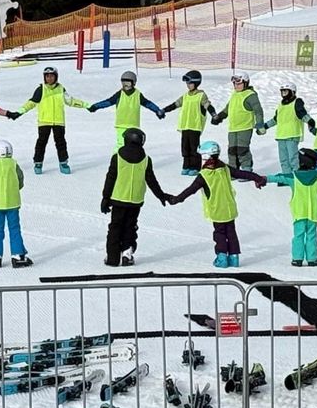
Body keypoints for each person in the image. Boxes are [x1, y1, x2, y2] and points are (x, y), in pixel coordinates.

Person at [168, 140, 266, 268]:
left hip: (217, 210)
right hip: (229, 208)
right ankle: (234, 258)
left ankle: (222, 258)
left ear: (205, 157)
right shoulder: (225, 168)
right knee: (231, 232)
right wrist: (258, 178)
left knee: (219, 233)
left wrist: (176, 199)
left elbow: (190, 191)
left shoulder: (204, 175)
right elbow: (241, 173)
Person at [100, 128, 169, 267]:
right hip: (135, 201)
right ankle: (127, 254)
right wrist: (161, 195)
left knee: (115, 227)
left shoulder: (117, 157)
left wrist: (105, 198)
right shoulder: (146, 160)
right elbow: (151, 181)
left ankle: (113, 258)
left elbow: (110, 178)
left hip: (119, 199)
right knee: (130, 227)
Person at [7, 66, 89, 175]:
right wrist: (19, 112)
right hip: (44, 121)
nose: (49, 78)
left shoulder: (61, 89)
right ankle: (38, 162)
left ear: (56, 77)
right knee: (41, 142)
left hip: (58, 121)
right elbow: (31, 103)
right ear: (44, 78)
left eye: (52, 76)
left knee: (61, 143)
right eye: (47, 76)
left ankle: (63, 162)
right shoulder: (41, 90)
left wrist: (86, 105)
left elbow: (71, 101)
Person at [266, 147, 317, 267]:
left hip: (299, 213)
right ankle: (312, 259)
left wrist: (264, 179)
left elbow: (280, 177)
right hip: (313, 213)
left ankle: (297, 258)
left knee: (298, 235)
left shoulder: (294, 177)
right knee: (311, 236)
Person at [0, 139, 32, 268]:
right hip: (12, 203)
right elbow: (20, 180)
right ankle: (17, 255)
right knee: (14, 229)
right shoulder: (14, 164)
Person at [89, 71, 165, 147]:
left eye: (128, 83)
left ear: (134, 83)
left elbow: (148, 104)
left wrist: (157, 110)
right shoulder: (119, 94)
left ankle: (133, 158)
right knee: (121, 145)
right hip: (121, 125)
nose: (125, 86)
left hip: (133, 126)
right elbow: (108, 102)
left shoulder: (138, 95)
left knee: (133, 146)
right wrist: (96, 106)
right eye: (123, 83)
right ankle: (117, 158)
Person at [161, 70, 216, 176]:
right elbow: (175, 104)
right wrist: (164, 110)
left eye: (189, 83)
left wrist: (214, 114)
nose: (188, 85)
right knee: (185, 148)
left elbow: (207, 106)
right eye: (187, 83)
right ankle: (186, 165)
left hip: (195, 126)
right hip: (185, 126)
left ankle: (195, 167)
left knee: (194, 148)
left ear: (196, 83)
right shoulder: (185, 96)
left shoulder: (201, 95)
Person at [210, 72, 265, 173]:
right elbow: (228, 109)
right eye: (235, 84)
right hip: (233, 128)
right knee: (232, 150)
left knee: (242, 149)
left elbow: (258, 110)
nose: (236, 86)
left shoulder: (250, 95)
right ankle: (233, 170)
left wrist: (260, 124)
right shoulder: (234, 94)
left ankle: (246, 169)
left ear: (246, 83)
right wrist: (219, 117)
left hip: (245, 127)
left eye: (239, 84)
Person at [259, 82, 315, 175]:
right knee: (283, 159)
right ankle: (287, 176)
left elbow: (302, 114)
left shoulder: (297, 102)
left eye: (286, 92)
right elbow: (276, 119)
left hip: (292, 135)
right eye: (282, 92)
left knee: (293, 158)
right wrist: (265, 126)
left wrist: (309, 120)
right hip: (281, 136)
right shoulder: (281, 105)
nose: (284, 94)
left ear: (292, 92)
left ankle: (296, 175)